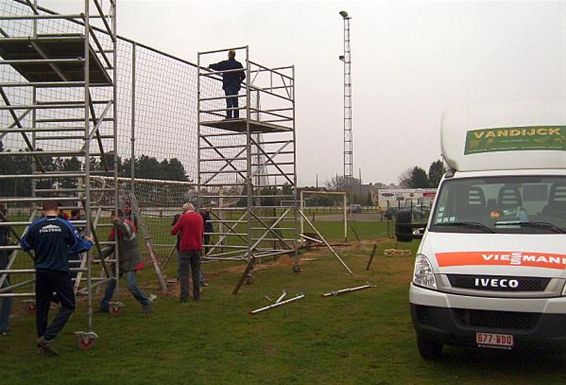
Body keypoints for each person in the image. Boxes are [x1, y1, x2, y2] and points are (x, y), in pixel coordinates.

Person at [20, 201, 93, 355]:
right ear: (58, 210)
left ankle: (42, 343)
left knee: (42, 307)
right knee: (69, 305)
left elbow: (25, 245)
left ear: (43, 211)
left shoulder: (35, 226)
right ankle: (47, 337)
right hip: (59, 270)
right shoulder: (65, 225)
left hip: (41, 270)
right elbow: (79, 246)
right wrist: (89, 242)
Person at [98, 209, 154, 314]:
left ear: (116, 216)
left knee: (131, 285)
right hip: (120, 259)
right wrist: (99, 257)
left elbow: (127, 232)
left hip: (130, 259)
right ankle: (104, 306)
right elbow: (110, 245)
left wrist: (116, 221)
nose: (111, 220)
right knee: (111, 282)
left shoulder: (126, 224)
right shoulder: (117, 227)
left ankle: (146, 303)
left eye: (112, 218)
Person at [171, 203, 203, 302]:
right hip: (197, 247)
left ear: (184, 210)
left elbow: (173, 231)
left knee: (184, 273)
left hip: (185, 248)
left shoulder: (183, 217)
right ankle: (196, 296)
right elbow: (202, 232)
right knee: (196, 272)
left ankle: (184, 296)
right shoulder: (200, 217)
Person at [209, 49, 246, 119]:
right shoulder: (238, 64)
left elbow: (217, 66)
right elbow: (243, 76)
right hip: (235, 86)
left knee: (229, 100)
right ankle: (236, 116)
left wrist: (210, 66)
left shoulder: (225, 63)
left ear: (229, 55)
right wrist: (239, 81)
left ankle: (229, 116)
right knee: (235, 101)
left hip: (228, 84)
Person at [0, 203, 13, 336]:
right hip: (1, 266)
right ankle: (3, 326)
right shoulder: (3, 229)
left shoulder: (5, 229)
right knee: (8, 294)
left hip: (4, 264)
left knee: (7, 293)